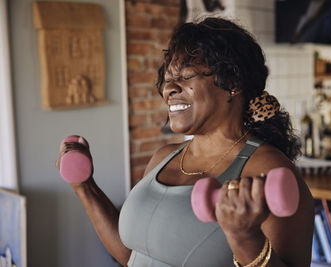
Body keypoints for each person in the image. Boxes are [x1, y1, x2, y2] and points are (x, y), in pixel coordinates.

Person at [59, 17, 314, 267]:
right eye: (168, 78)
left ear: (233, 82)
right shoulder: (163, 157)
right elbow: (132, 256)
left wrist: (245, 238)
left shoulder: (267, 171)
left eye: (186, 76)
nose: (169, 88)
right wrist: (84, 186)